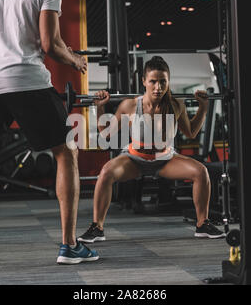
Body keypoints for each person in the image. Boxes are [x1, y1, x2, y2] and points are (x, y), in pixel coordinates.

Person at [0, 0, 99, 265]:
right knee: (66, 152)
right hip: (27, 80)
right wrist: (75, 59)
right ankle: (69, 246)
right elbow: (50, 46)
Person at [78, 56, 225, 243]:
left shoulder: (176, 104)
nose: (158, 87)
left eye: (163, 82)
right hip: (134, 160)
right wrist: (99, 108)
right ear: (144, 82)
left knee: (201, 172)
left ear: (168, 81)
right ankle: (97, 227)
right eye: (153, 81)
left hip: (165, 160)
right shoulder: (130, 105)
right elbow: (106, 133)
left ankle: (202, 224)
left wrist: (203, 108)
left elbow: (191, 132)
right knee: (106, 172)